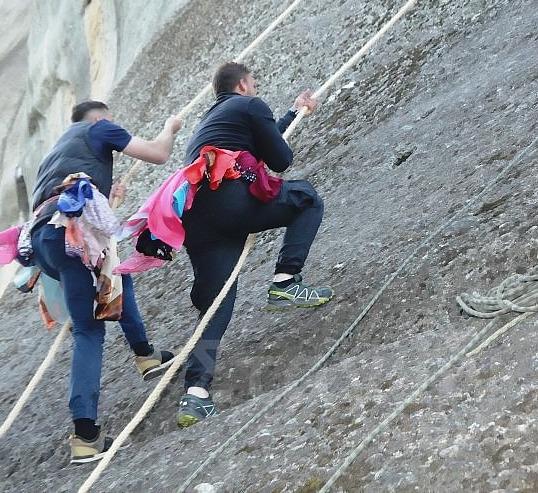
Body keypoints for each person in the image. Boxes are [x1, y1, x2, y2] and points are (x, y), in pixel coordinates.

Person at [176, 62, 333, 428]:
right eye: (255, 84)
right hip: (229, 201)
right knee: (307, 197)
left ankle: (196, 394)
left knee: (216, 307)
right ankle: (285, 281)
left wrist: (294, 112)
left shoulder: (211, 124)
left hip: (197, 217)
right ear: (244, 85)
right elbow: (280, 159)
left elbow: (256, 148)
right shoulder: (249, 105)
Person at [29, 100, 182, 462]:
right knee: (89, 331)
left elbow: (62, 199)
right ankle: (85, 435)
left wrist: (108, 199)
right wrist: (170, 127)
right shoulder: (99, 128)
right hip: (72, 234)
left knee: (115, 273)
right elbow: (158, 154)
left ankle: (145, 355)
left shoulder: (55, 153)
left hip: (43, 238)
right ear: (101, 119)